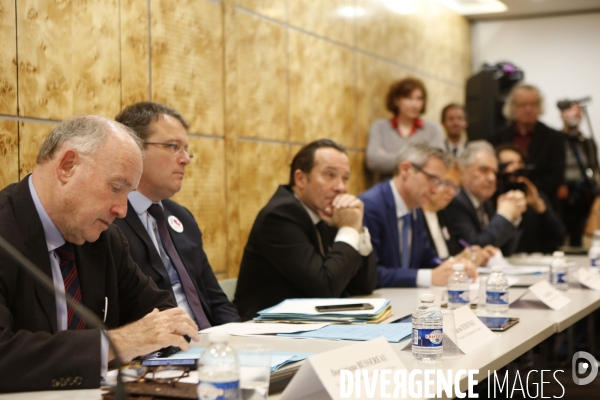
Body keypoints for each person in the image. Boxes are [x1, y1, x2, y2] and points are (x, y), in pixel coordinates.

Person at [0, 116, 199, 393]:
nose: (122, 210)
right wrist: (119, 341)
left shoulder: (104, 239)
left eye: (127, 195)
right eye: (116, 188)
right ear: (68, 166)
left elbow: (162, 312)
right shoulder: (6, 229)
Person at [114, 102, 240, 327]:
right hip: (159, 352)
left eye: (185, 149)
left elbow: (216, 299)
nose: (186, 159)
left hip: (210, 345)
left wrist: (237, 339)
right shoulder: (111, 219)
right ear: (134, 148)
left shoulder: (182, 217)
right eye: (173, 146)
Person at [234, 139, 377, 321]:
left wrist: (358, 229)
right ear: (300, 179)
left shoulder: (325, 210)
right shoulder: (280, 215)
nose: (341, 187)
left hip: (308, 326)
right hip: (267, 333)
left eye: (345, 178)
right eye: (330, 175)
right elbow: (326, 289)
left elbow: (364, 286)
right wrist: (348, 229)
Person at [360, 142, 478, 288]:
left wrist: (453, 267)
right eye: (433, 180)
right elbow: (369, 275)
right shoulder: (371, 206)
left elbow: (426, 259)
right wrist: (429, 277)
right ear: (406, 170)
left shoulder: (415, 207)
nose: (436, 190)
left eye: (440, 183)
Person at [490, 84, 565, 211]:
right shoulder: (496, 138)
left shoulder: (554, 138)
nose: (528, 109)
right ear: (513, 107)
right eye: (522, 105)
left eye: (533, 104)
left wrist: (526, 189)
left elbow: (556, 176)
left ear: (540, 107)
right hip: (503, 203)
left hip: (542, 206)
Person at [446, 141, 526, 256]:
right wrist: (504, 216)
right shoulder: (456, 201)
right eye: (484, 170)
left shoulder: (485, 203)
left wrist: (513, 217)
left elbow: (504, 251)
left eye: (494, 172)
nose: (492, 178)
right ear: (462, 171)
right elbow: (475, 248)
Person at [421, 160, 497, 265]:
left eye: (455, 187)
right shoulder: (415, 215)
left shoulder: (443, 214)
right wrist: (456, 260)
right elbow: (424, 263)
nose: (451, 192)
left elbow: (452, 254)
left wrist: (474, 256)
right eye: (447, 183)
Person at [366, 77, 445, 179]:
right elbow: (373, 161)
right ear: (396, 100)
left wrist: (388, 157)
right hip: (388, 190)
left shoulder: (433, 129)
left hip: (423, 191)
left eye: (419, 98)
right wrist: (420, 159)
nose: (415, 104)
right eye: (408, 98)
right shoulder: (380, 127)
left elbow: (436, 164)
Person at [496, 143, 565, 253]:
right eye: (509, 163)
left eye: (519, 162)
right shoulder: (491, 198)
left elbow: (559, 236)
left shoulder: (534, 195)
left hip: (533, 259)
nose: (516, 167)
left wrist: (540, 207)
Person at [557, 100, 600, 246]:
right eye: (571, 109)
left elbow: (594, 166)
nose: (576, 113)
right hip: (564, 193)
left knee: (583, 228)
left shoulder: (587, 142)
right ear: (562, 115)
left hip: (584, 192)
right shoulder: (556, 139)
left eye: (579, 110)